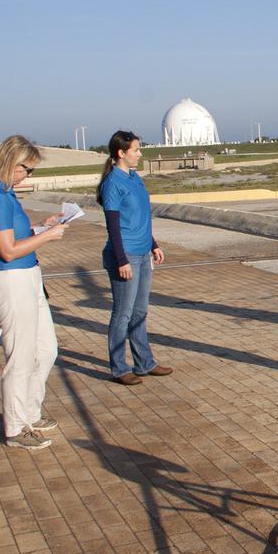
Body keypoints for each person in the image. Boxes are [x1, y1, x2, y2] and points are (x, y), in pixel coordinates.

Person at [0, 135, 67, 451]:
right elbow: (8, 250)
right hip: (10, 280)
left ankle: (29, 412)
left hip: (27, 277)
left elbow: (17, 237)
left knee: (46, 348)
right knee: (22, 355)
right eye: (27, 169)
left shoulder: (6, 196)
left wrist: (41, 226)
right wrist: (49, 236)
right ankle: (15, 427)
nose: (28, 176)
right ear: (10, 164)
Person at [97, 130, 172, 385]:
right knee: (123, 313)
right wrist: (121, 260)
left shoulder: (134, 177)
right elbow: (113, 226)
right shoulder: (112, 183)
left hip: (142, 253)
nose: (140, 154)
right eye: (136, 150)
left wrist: (153, 244)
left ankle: (144, 363)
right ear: (121, 153)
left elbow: (140, 217)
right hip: (125, 254)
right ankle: (119, 367)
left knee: (140, 311)